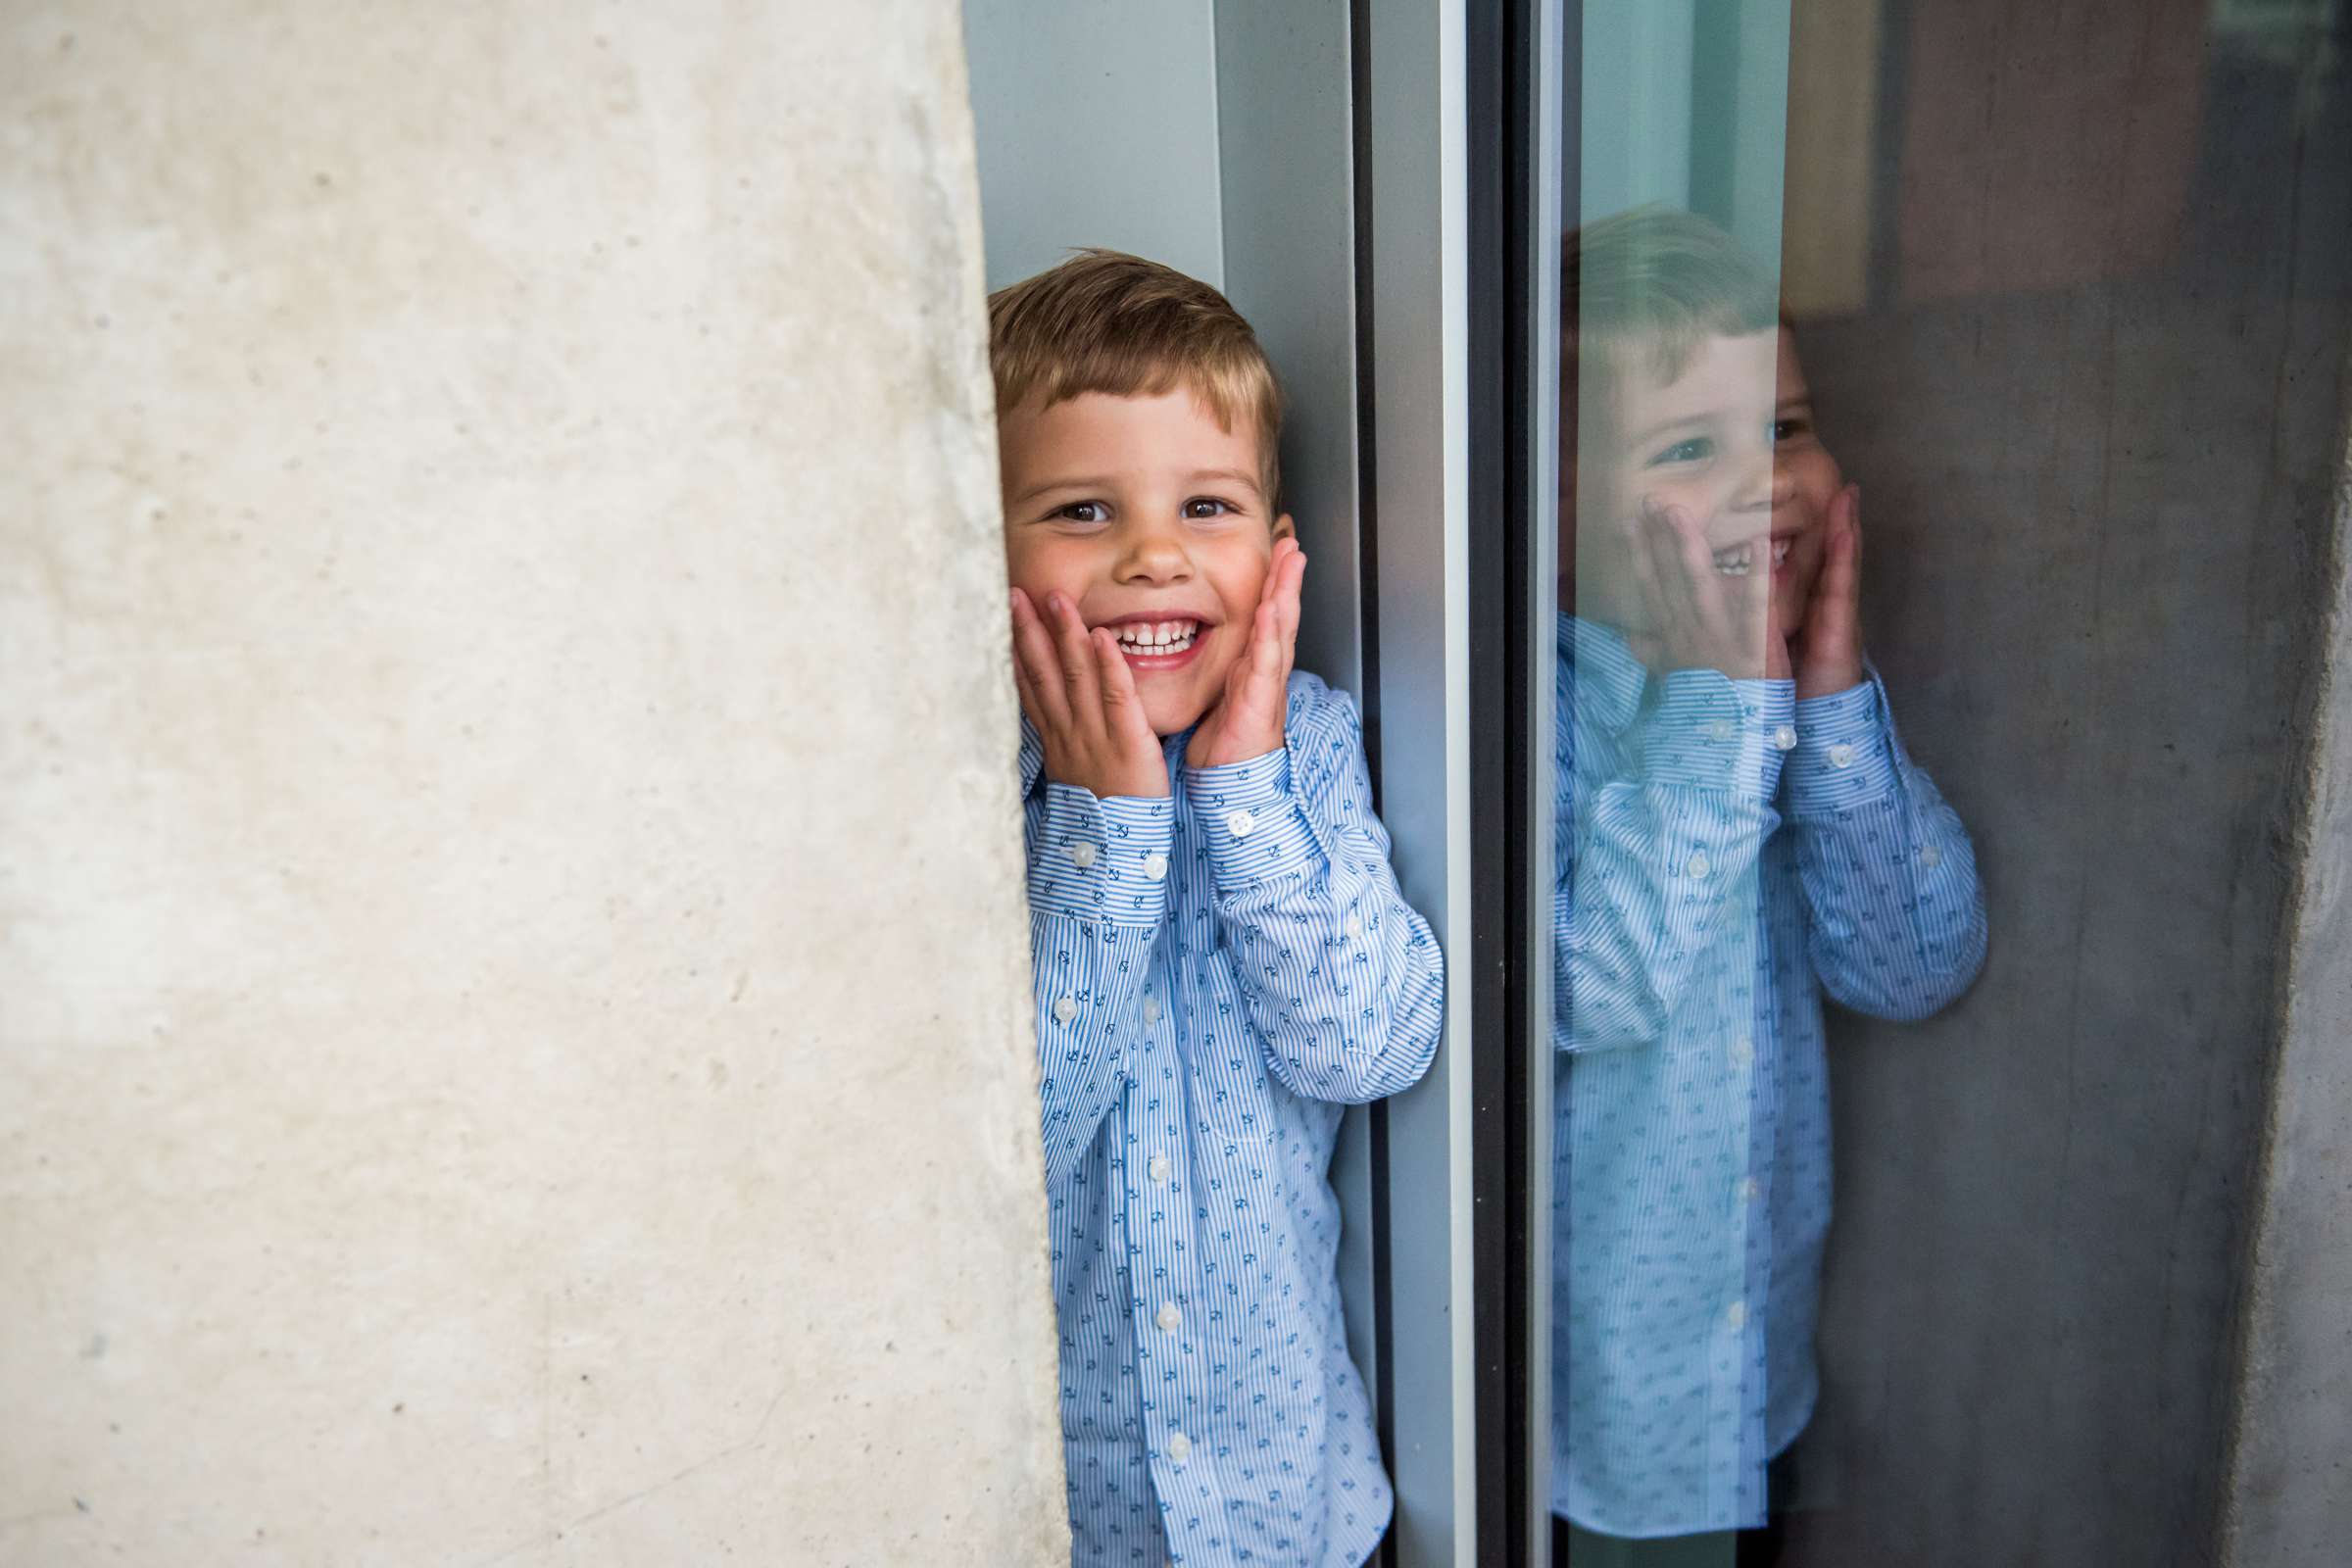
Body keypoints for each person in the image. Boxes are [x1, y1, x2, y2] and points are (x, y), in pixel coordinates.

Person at [992, 249, 1446, 1568]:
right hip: (1082, 1529)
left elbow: (1368, 1048)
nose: (1153, 556)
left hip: (1293, 1514)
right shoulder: (967, 800)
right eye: (1082, 510)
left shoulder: (1303, 752)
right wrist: (1110, 828)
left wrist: (1239, 792)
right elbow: (1003, 1157)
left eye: (1208, 505)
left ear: (1275, 553)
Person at [1548, 208, 1988, 1564]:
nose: (1765, 482)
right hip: (1577, 1417)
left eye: (1786, 428)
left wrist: (1835, 703)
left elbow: (1915, 970)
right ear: (1549, 505)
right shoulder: (1535, 723)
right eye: (1692, 447)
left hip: (1754, 1372)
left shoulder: (1803, 707)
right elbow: (1586, 987)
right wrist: (1720, 714)